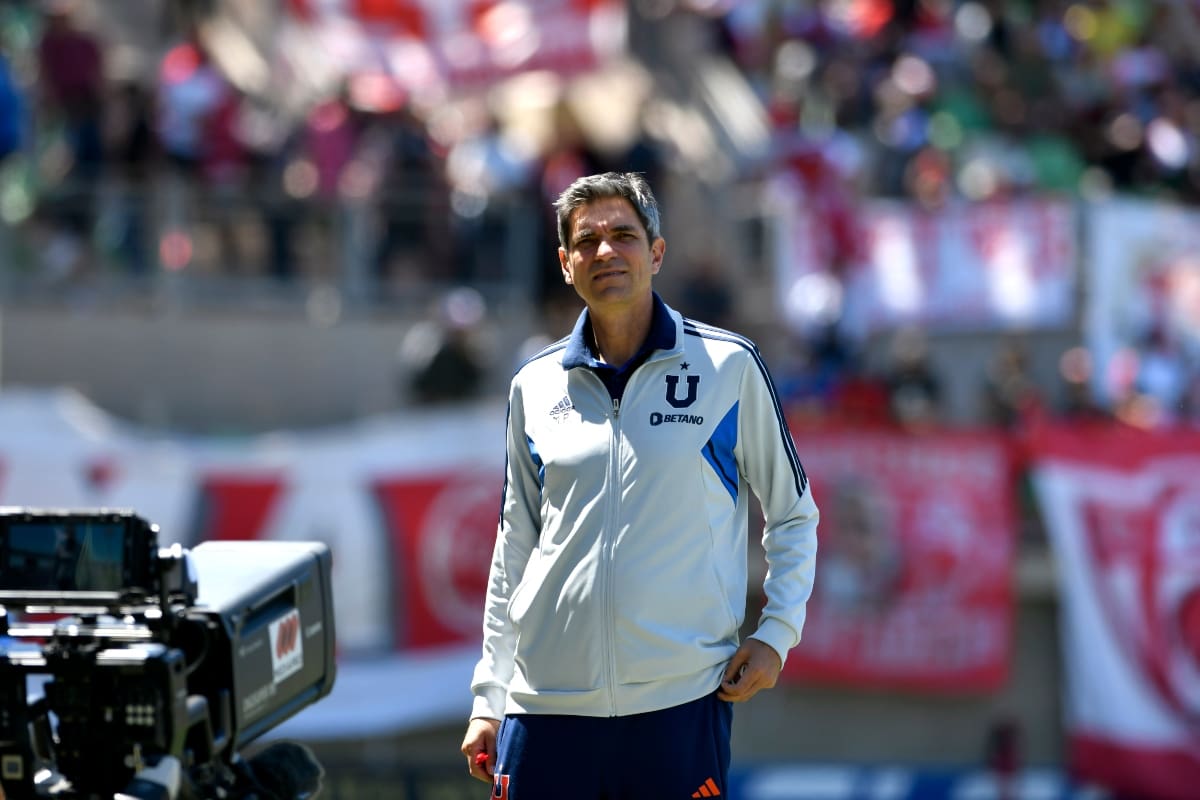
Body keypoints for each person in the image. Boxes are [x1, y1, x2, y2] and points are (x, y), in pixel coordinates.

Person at [460, 172, 820, 798]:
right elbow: (514, 547)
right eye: (588, 240)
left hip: (678, 707)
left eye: (623, 235)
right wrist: (489, 696)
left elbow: (793, 514)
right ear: (565, 263)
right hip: (543, 709)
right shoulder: (533, 386)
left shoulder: (728, 367)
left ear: (656, 253)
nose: (606, 251)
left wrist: (777, 634)